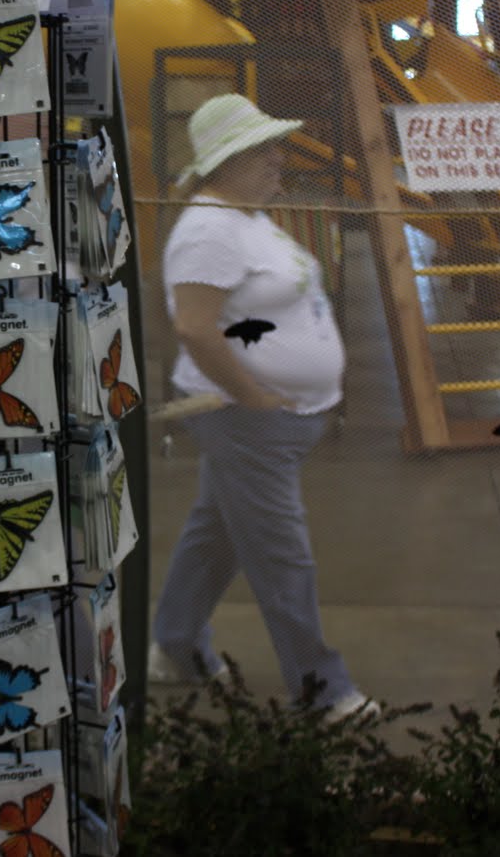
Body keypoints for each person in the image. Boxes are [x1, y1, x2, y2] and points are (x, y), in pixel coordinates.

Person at [148, 93, 372, 719]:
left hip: (271, 418)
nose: (280, 160)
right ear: (229, 161)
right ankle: (320, 690)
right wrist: (253, 396)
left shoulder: (246, 217)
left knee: (214, 535)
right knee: (281, 555)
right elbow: (194, 327)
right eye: (265, 151)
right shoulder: (208, 230)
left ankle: (177, 648)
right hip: (244, 420)